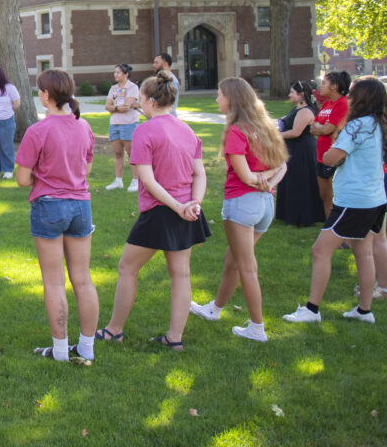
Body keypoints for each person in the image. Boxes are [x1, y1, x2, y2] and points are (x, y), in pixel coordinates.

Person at [96, 71, 208, 350]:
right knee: (180, 273)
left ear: (149, 101)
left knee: (127, 267)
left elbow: (147, 179)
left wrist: (184, 205)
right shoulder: (187, 130)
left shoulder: (144, 130)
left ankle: (114, 330)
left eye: (141, 101)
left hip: (163, 210)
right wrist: (194, 203)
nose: (139, 105)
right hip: (184, 209)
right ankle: (174, 338)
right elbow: (200, 175)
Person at [283, 77, 387, 326]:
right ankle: (364, 311)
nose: (350, 98)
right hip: (374, 199)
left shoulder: (356, 127)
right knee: (362, 252)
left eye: (354, 94)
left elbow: (330, 157)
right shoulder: (378, 124)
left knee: (320, 250)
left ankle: (312, 309)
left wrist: (335, 145)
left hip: (353, 201)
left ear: (363, 99)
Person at [189, 78, 288, 343]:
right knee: (231, 261)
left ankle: (257, 328)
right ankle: (215, 309)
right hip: (266, 204)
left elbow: (245, 176)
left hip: (243, 204)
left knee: (246, 267)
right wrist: (268, 181)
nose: (217, 99)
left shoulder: (237, 131)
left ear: (232, 99)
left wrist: (262, 180)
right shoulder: (266, 127)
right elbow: (282, 168)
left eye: (219, 95)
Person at [14, 69, 98, 364]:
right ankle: (87, 347)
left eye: (40, 90)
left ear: (46, 96)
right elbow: (85, 168)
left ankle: (61, 350)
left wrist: (44, 177)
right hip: (80, 205)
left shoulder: (37, 131)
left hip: (49, 205)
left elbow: (22, 179)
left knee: (53, 281)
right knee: (83, 279)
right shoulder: (83, 126)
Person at [275, 81, 325, 227]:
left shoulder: (305, 111)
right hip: (293, 149)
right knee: (292, 181)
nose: (289, 95)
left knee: (300, 182)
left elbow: (296, 132)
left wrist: (275, 135)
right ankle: (289, 214)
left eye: (292, 92)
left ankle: (302, 216)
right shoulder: (298, 108)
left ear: (301, 94)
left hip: (302, 150)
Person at [310, 71, 351, 217]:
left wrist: (322, 128)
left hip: (334, 157)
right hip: (321, 156)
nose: (320, 86)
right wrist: (322, 128)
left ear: (334, 86)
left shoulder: (342, 104)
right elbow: (313, 127)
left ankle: (338, 231)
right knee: (325, 196)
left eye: (324, 83)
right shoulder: (327, 104)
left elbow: (329, 129)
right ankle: (329, 227)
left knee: (336, 197)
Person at [103, 63, 142, 192]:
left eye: (118, 72)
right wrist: (116, 108)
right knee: (118, 153)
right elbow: (107, 106)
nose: (115, 75)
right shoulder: (114, 88)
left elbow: (126, 107)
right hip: (114, 124)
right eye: (115, 72)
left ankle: (136, 181)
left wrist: (115, 108)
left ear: (126, 74)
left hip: (129, 123)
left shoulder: (133, 87)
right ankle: (118, 181)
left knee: (132, 154)